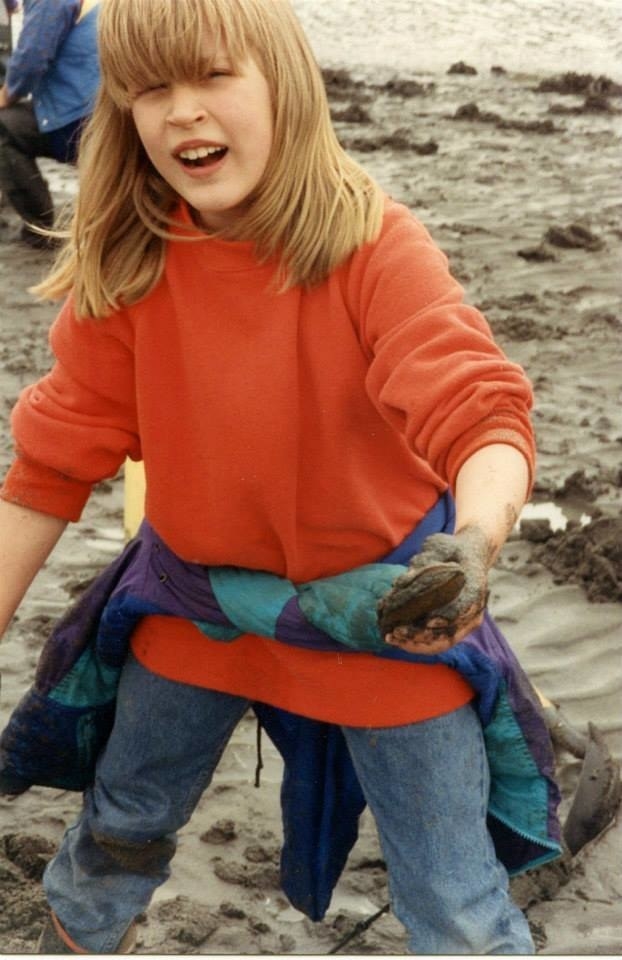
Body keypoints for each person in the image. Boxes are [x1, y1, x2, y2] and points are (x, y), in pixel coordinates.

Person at [0, 0, 563, 953]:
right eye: (149, 89)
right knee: (120, 828)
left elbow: (481, 414)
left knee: (452, 899)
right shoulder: (136, 265)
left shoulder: (373, 247)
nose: (181, 112)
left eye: (213, 76)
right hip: (197, 608)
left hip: (385, 622)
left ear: (284, 85)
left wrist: (472, 546)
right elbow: (49, 467)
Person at [0, 0, 100, 247]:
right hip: (103, 107)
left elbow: (32, 58)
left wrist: (6, 94)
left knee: (4, 127)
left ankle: (40, 230)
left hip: (84, 117)